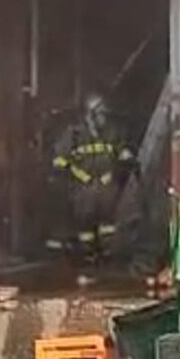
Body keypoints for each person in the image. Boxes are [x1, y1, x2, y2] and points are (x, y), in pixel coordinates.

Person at [47, 93, 136, 259]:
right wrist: (80, 176)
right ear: (90, 114)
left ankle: (107, 254)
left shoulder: (113, 133)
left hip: (107, 186)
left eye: (105, 114)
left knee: (107, 224)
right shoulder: (74, 134)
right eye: (100, 114)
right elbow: (59, 161)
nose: (104, 118)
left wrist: (117, 170)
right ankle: (87, 254)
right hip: (82, 188)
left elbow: (124, 155)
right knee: (85, 224)